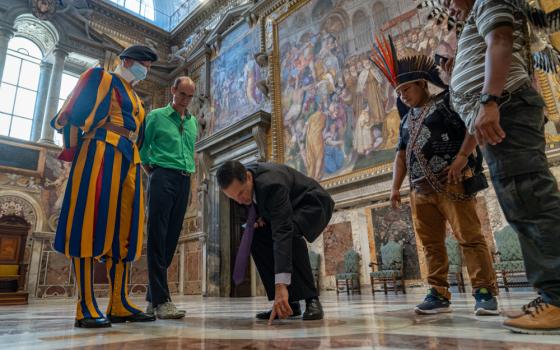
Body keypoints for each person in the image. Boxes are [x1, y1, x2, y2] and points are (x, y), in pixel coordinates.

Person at [447, 0, 560, 334]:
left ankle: (557, 297)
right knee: (522, 203)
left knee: (529, 199)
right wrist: (465, 152)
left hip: (506, 107)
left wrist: (489, 100)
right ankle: (550, 294)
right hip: (500, 111)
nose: (450, 7)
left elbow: (500, 39)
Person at [370, 36, 499, 315]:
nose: (403, 95)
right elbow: (401, 156)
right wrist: (395, 187)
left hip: (452, 184)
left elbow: (471, 126)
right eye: (399, 91)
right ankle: (438, 293)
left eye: (406, 88)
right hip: (419, 191)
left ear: (421, 84)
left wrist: (462, 157)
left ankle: (484, 291)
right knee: (430, 245)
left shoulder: (446, 102)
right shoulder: (405, 120)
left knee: (470, 238)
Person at [50, 45, 158, 328]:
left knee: (126, 231)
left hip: (129, 158)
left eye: (148, 66)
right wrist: (76, 153)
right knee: (87, 222)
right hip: (99, 149)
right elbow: (73, 116)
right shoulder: (101, 78)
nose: (144, 69)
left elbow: (141, 137)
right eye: (141, 63)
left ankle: (118, 302)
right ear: (126, 60)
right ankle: (84, 304)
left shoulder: (137, 98)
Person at [217, 161, 334, 324]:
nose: (241, 200)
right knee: (255, 237)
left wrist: (281, 285)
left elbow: (283, 231)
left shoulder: (272, 183)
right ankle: (288, 304)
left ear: (249, 178)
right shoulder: (240, 191)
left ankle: (311, 299)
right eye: (234, 197)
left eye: (242, 192)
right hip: (286, 209)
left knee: (290, 233)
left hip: (311, 204)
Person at [140, 76, 200, 319]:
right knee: (158, 236)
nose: (185, 100)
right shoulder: (155, 116)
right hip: (162, 176)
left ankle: (152, 298)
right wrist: (155, 175)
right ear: (173, 90)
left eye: (190, 96)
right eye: (182, 94)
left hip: (185, 179)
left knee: (171, 239)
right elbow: (142, 151)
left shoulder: (193, 122)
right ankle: (162, 301)